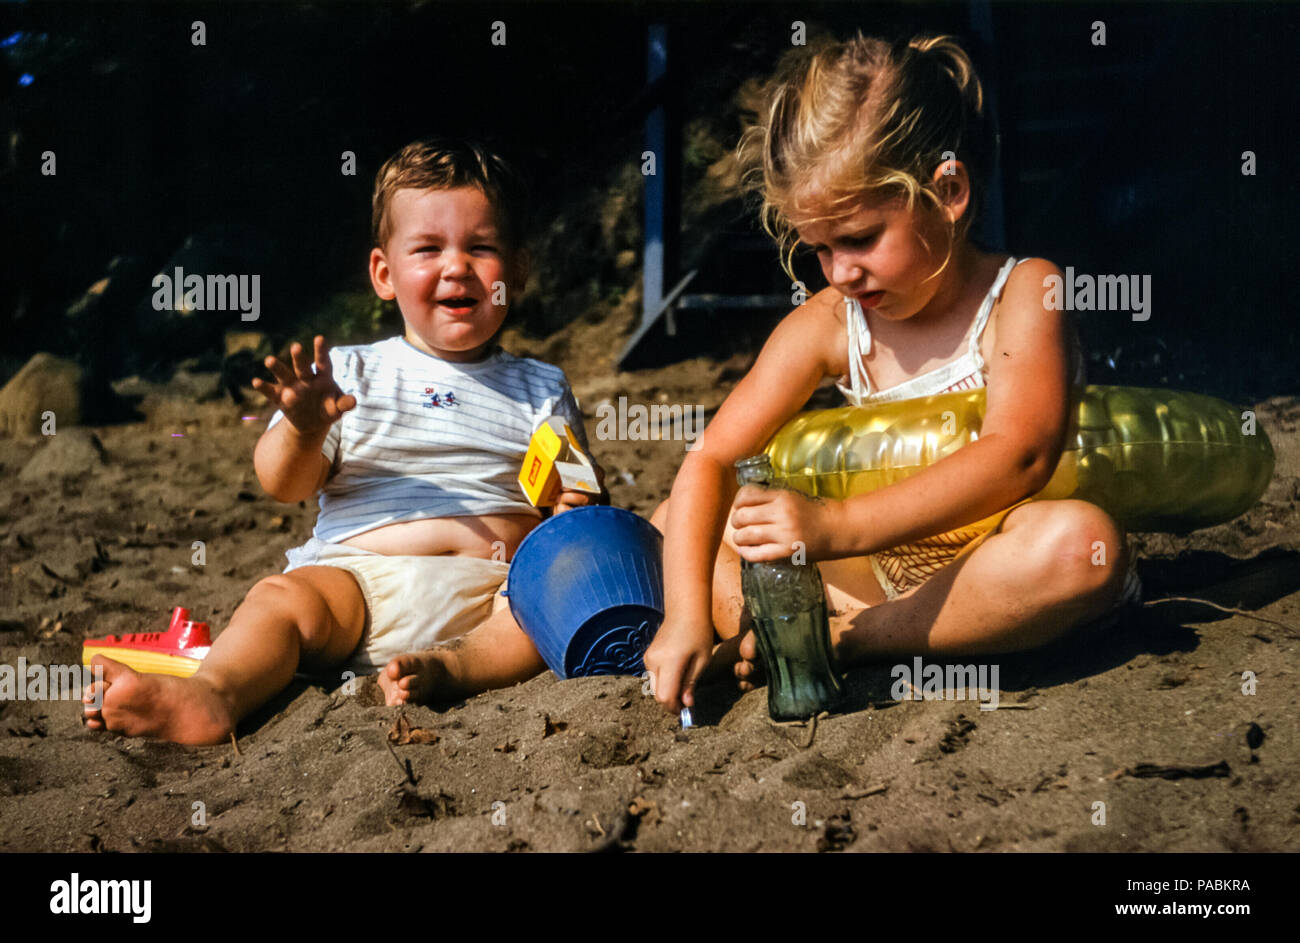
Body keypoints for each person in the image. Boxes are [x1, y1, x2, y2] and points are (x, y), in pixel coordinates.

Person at [643, 34, 1142, 712]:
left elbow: (1020, 454)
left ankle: (849, 640)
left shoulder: (1024, 292)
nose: (841, 271)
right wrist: (683, 617)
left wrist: (834, 525)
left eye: (859, 238)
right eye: (818, 248)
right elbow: (712, 457)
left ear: (950, 192)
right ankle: (786, 628)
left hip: (994, 573)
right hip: (871, 574)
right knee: (677, 519)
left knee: (1082, 546)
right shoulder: (829, 322)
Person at [84, 139, 604, 744]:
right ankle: (212, 693)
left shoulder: (540, 386)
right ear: (384, 274)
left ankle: (448, 669)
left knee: (541, 604)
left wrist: (572, 506)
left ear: (515, 271)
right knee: (282, 599)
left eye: (481, 248)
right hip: (355, 580)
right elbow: (283, 484)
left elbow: (579, 502)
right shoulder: (349, 372)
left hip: (491, 589)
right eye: (429, 249)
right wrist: (305, 430)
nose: (457, 266)